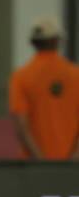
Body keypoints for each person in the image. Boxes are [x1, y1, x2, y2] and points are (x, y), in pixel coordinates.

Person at [9, 16, 79, 160]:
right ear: (58, 41)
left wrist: (40, 161)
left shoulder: (20, 77)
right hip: (72, 165)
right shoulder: (75, 75)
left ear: (33, 43)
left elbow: (21, 125)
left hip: (32, 167)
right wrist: (74, 156)